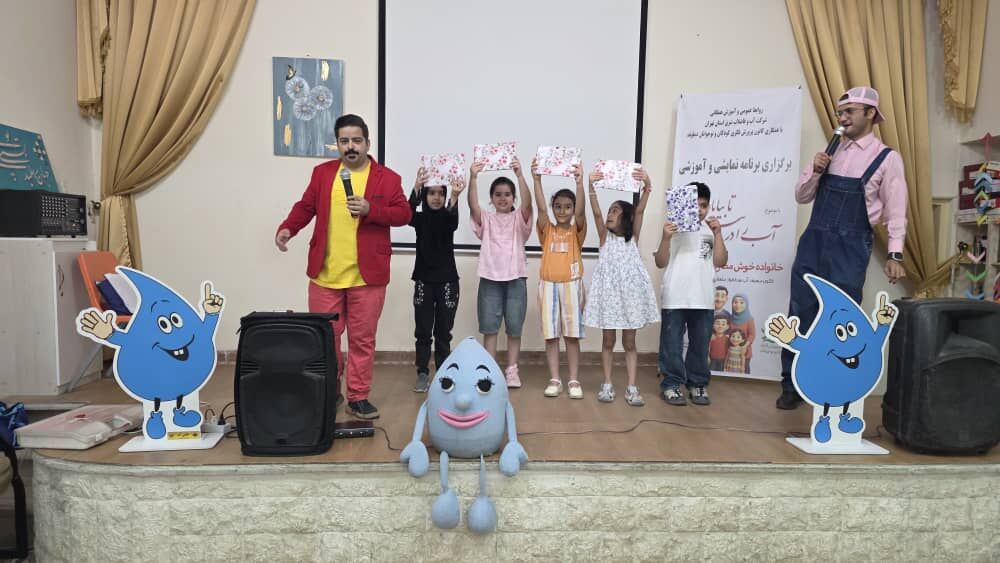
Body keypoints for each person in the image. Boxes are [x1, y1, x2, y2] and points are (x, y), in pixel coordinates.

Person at [777, 86, 908, 410]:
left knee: (843, 317)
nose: (843, 118)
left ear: (871, 114)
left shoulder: (887, 158)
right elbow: (801, 196)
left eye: (850, 112)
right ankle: (792, 385)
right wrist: (816, 170)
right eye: (840, 113)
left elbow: (896, 209)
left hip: (851, 245)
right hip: (814, 241)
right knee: (800, 310)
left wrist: (895, 254)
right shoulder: (830, 152)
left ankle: (834, 386)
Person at [275, 114, 411, 420]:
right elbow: (306, 207)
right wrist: (288, 228)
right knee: (325, 339)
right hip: (325, 275)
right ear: (337, 143)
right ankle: (330, 390)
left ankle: (358, 397)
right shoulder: (322, 174)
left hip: (368, 276)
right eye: (344, 141)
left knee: (362, 340)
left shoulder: (388, 178)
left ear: (367, 143)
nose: (351, 146)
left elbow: (404, 214)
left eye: (356, 140)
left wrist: (371, 209)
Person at [583, 167, 660, 406]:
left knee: (629, 343)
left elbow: (641, 210)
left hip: (630, 298)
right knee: (608, 342)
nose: (609, 214)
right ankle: (607, 384)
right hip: (609, 298)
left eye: (615, 211)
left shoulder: (633, 238)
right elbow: (595, 212)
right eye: (610, 210)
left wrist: (647, 185)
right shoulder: (604, 238)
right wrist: (591, 186)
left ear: (626, 217)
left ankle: (631, 387)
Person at [654, 182, 728, 406]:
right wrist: (665, 238)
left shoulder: (709, 232)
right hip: (675, 296)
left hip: (703, 298)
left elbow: (720, 261)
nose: (699, 210)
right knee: (672, 344)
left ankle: (697, 383)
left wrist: (718, 234)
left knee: (700, 344)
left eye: (704, 205)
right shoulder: (673, 229)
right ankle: (672, 384)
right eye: (695, 205)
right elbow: (660, 262)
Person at [467, 156, 533, 387]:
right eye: (497, 194)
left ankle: (512, 370)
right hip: (490, 278)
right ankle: (489, 369)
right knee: (490, 328)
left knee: (514, 328)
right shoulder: (486, 218)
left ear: (514, 197)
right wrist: (473, 178)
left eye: (507, 194)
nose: (503, 198)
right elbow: (473, 206)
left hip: (516, 278)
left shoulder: (519, 218)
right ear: (491, 198)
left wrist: (520, 175)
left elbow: (528, 204)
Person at [531, 159, 587, 398]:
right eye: (558, 206)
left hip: (572, 286)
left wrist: (579, 182)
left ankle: (573, 380)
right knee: (551, 335)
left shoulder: (576, 231)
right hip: (548, 286)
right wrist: (536, 180)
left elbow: (582, 212)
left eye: (567, 207)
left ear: (573, 209)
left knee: (571, 336)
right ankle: (555, 379)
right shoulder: (547, 229)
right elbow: (541, 209)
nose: (562, 211)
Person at [408, 168, 465, 392]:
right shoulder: (419, 219)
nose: (436, 197)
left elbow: (452, 220)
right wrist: (416, 187)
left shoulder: (448, 218)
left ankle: (443, 372)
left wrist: (455, 196)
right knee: (423, 331)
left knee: (443, 332)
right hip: (424, 281)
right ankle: (422, 372)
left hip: (448, 282)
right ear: (425, 196)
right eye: (431, 193)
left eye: (441, 193)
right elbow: (406, 214)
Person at [729, 294, 755, 374]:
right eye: (735, 302)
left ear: (746, 304)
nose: (738, 305)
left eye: (741, 302)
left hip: (744, 352)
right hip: (732, 352)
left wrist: (744, 346)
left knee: (744, 371)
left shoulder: (749, 319)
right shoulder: (730, 318)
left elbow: (752, 335)